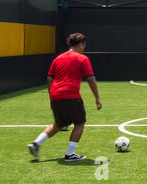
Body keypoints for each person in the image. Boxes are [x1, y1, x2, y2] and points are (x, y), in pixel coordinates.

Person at [29, 32, 101, 163]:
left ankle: (36, 143)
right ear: (81, 44)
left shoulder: (58, 59)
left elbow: (49, 78)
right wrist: (97, 98)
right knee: (80, 123)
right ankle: (70, 154)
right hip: (71, 95)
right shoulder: (82, 58)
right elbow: (90, 79)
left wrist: (52, 96)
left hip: (56, 95)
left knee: (59, 124)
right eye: (84, 45)